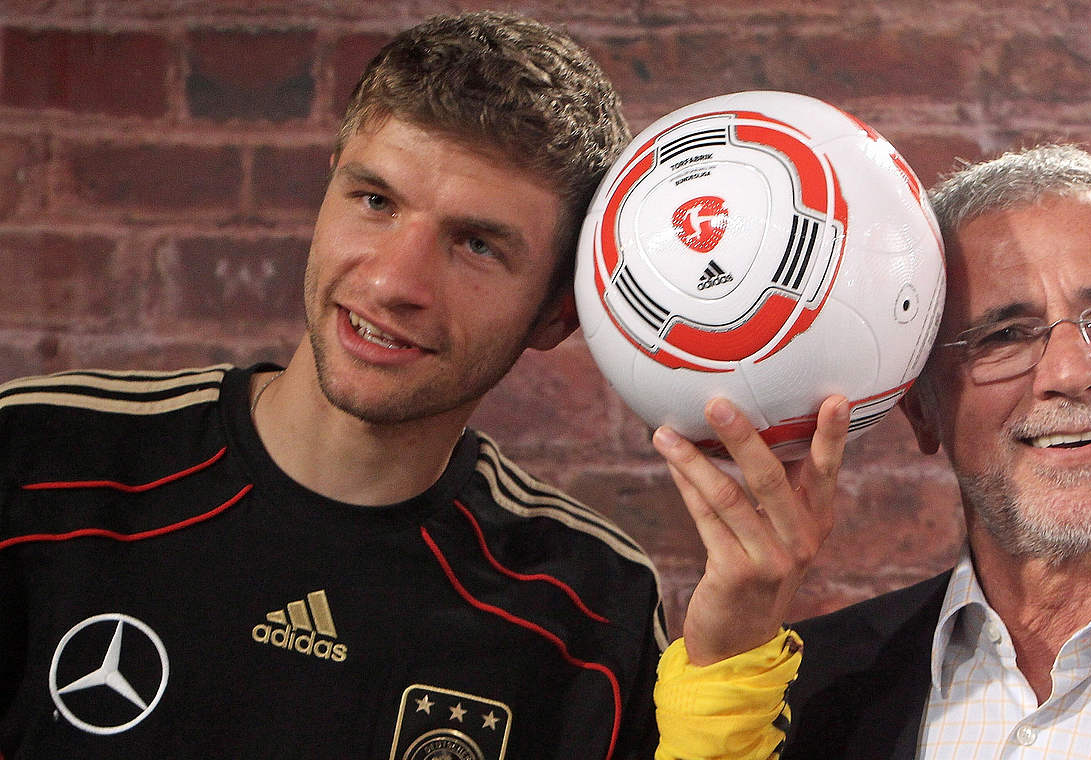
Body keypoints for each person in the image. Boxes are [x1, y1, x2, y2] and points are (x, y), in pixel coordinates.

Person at [0, 12, 675, 759]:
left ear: (556, 314)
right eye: (375, 201)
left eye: (476, 244)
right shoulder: (39, 461)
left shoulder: (591, 606)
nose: (393, 282)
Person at [650, 143, 1091, 760]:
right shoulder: (778, 703)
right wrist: (731, 659)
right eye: (1003, 335)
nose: (1067, 373)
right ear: (922, 408)